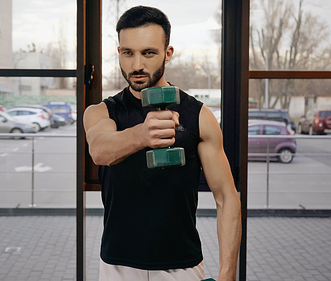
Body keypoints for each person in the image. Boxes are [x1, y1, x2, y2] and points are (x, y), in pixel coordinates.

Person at [84, 5, 241, 281]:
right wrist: (141, 136)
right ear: (118, 52)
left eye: (148, 53)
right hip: (117, 267)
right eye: (127, 53)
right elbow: (99, 150)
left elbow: (226, 197)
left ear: (168, 53)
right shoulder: (101, 112)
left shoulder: (199, 116)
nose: (137, 65)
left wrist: (228, 273)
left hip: (181, 267)